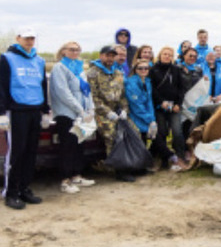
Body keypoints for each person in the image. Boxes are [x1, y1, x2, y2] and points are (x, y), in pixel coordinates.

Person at [0, 27, 51, 209]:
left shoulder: (39, 60)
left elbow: (42, 85)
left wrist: (45, 110)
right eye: (26, 38)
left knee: (31, 151)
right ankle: (11, 193)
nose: (30, 41)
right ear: (18, 38)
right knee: (16, 152)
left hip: (34, 110)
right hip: (16, 111)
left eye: (32, 38)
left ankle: (24, 188)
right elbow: (2, 86)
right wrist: (1, 113)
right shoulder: (6, 58)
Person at [49, 41, 96, 194]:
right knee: (67, 147)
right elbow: (63, 93)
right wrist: (80, 109)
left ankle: (76, 175)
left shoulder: (79, 68)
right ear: (63, 51)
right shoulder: (59, 68)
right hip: (67, 113)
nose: (75, 52)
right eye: (72, 49)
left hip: (81, 114)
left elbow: (86, 90)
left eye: (78, 50)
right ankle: (65, 180)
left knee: (78, 145)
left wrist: (90, 108)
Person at [87, 45, 138, 182]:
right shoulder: (93, 73)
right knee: (113, 135)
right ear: (101, 55)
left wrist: (124, 110)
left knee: (134, 131)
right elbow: (94, 97)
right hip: (102, 112)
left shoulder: (118, 73)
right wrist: (108, 112)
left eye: (112, 56)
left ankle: (133, 164)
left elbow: (122, 96)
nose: (110, 58)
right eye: (107, 55)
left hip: (118, 111)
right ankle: (119, 169)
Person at [126, 58, 183, 172]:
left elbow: (150, 103)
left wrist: (152, 120)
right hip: (137, 117)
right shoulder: (131, 83)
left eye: (146, 68)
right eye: (140, 68)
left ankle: (162, 159)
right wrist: (149, 120)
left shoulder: (147, 81)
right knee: (150, 138)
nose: (143, 70)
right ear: (135, 69)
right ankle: (171, 157)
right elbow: (137, 105)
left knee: (156, 136)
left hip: (147, 116)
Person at [149, 46, 187, 166]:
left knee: (177, 131)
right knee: (162, 132)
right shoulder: (153, 70)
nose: (167, 56)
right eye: (165, 54)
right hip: (160, 106)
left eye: (170, 55)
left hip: (174, 106)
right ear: (160, 55)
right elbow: (152, 89)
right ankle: (163, 158)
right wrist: (161, 102)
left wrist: (178, 104)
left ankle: (180, 156)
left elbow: (181, 88)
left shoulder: (176, 69)